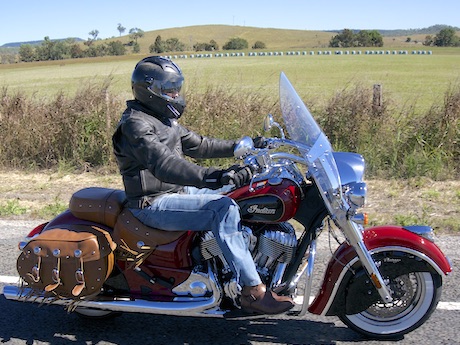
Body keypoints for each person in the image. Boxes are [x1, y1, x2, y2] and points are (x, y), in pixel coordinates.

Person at [112, 56, 294, 315]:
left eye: (176, 86)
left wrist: (245, 146)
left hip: (176, 192)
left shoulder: (161, 117)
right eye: (169, 88)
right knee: (224, 209)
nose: (175, 93)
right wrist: (218, 176)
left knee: (245, 193)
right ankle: (252, 291)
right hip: (153, 203)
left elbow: (198, 145)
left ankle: (240, 259)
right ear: (149, 90)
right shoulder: (135, 125)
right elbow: (165, 165)